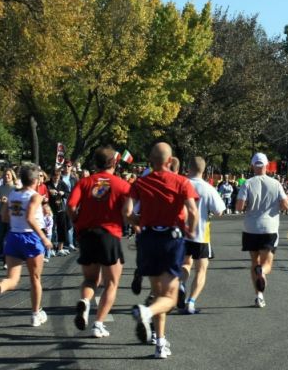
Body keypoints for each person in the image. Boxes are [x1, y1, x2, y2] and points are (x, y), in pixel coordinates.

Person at [127, 142, 199, 359]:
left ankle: (160, 342)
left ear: (151, 161)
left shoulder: (141, 182)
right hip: (171, 237)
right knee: (171, 295)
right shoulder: (181, 181)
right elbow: (193, 211)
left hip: (148, 237)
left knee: (159, 294)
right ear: (170, 161)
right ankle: (146, 312)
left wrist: (138, 222)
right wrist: (190, 232)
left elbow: (127, 211)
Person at [67, 147, 132, 338]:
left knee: (90, 279)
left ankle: (85, 302)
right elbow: (128, 213)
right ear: (114, 163)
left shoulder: (84, 182)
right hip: (109, 235)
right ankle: (98, 323)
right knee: (111, 283)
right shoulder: (122, 185)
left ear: (95, 163)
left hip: (87, 234)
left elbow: (70, 205)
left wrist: (76, 220)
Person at [0, 166, 54, 327]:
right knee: (35, 278)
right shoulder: (35, 196)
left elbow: (5, 217)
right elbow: (30, 218)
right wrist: (44, 238)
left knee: (12, 279)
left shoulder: (13, 194)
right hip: (30, 237)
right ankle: (35, 313)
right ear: (35, 180)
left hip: (14, 235)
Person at [236, 153, 288, 308]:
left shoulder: (247, 183)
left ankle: (259, 296)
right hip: (269, 228)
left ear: (253, 166)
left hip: (251, 228)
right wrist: (276, 207)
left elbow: (239, 207)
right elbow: (286, 205)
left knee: (254, 262)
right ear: (266, 166)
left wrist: (248, 207)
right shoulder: (276, 183)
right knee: (267, 264)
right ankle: (262, 272)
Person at [181, 157, 226, 313]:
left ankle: (181, 285)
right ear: (204, 170)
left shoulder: (181, 184)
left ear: (188, 167)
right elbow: (220, 210)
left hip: (181, 232)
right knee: (201, 268)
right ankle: (191, 302)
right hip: (200, 233)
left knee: (185, 263)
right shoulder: (207, 188)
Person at [0, 168, 18, 270]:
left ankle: (7, 261)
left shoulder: (15, 188)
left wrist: (8, 201)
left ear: (12, 176)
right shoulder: (1, 188)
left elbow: (17, 203)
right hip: (1, 216)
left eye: (8, 175)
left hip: (12, 217)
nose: (6, 177)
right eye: (5, 175)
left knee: (8, 239)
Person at [46, 169, 71, 256]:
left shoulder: (62, 183)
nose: (56, 178)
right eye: (54, 176)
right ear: (52, 176)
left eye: (58, 176)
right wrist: (49, 192)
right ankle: (51, 248)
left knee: (62, 228)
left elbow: (68, 193)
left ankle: (60, 248)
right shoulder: (47, 184)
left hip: (61, 208)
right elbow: (44, 193)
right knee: (51, 229)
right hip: (50, 209)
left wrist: (63, 193)